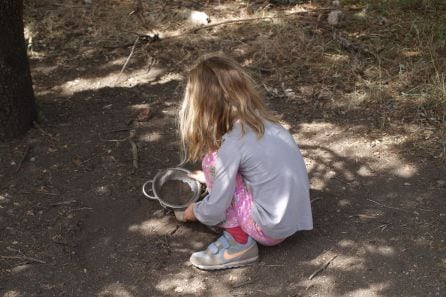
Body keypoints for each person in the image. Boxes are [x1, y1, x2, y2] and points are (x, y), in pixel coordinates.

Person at [178, 53, 313, 270]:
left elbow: (215, 210)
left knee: (212, 162)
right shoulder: (265, 122)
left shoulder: (230, 144)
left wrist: (195, 211)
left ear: (202, 107)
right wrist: (211, 178)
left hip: (268, 229)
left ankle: (238, 243)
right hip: (294, 218)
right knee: (218, 170)